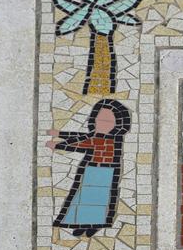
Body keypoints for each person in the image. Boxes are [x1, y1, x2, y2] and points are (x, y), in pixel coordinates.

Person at [47, 99, 130, 237]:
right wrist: (59, 134)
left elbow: (85, 143)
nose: (100, 123)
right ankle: (82, 223)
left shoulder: (111, 138)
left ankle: (96, 224)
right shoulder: (98, 135)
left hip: (105, 173)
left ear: (118, 123)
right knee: (83, 199)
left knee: (99, 200)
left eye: (107, 120)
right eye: (98, 119)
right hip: (91, 170)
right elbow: (83, 136)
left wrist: (58, 145)